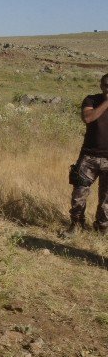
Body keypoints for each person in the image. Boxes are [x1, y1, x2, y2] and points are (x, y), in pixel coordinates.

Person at [66, 73, 108, 236]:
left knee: (106, 199)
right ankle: (76, 224)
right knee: (79, 193)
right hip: (89, 156)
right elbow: (88, 118)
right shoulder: (91, 100)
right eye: (106, 85)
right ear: (101, 85)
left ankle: (102, 229)